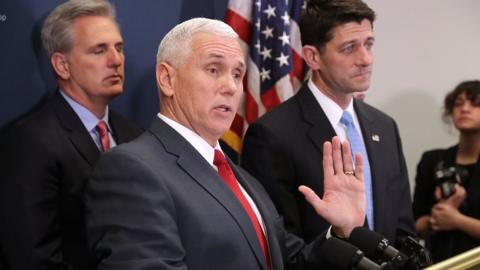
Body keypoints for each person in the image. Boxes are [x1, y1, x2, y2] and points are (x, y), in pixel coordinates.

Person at [85, 17, 368, 269]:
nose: (231, 87)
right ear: (167, 79)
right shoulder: (131, 170)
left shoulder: (242, 178)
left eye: (236, 74)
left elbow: (288, 261)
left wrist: (339, 232)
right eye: (213, 69)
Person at [241, 0, 415, 246]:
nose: (365, 59)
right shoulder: (271, 135)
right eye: (349, 48)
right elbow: (281, 245)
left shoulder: (385, 126)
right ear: (313, 57)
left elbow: (404, 231)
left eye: (369, 44)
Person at [0, 0, 142, 269]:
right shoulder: (29, 143)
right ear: (62, 65)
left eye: (119, 48)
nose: (116, 60)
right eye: (99, 50)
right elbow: (33, 259)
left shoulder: (135, 136)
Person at [413, 80, 480, 262]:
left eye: (475, 103)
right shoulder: (432, 161)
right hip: (439, 262)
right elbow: (415, 221)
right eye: (458, 103)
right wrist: (436, 218)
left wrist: (457, 220)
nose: (465, 109)